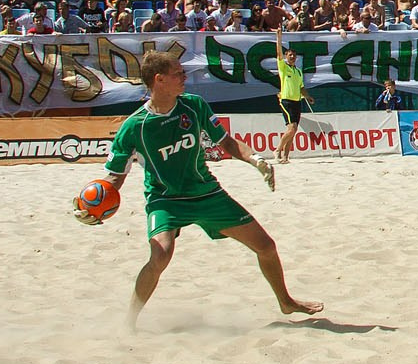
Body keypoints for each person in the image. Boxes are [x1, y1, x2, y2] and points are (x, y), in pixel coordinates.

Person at [95, 48, 318, 330]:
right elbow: (113, 178)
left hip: (206, 194)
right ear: (159, 79)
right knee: (160, 254)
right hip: (165, 200)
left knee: (266, 247)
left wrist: (255, 159)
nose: (185, 77)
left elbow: (226, 142)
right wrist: (97, 205)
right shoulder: (134, 127)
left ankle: (286, 301)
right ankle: (129, 322)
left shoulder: (194, 106)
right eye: (178, 74)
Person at [272, 26, 307, 166]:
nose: (292, 57)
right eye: (289, 55)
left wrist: (308, 96)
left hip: (297, 101)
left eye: (294, 55)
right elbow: (278, 53)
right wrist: (279, 38)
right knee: (291, 128)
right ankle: (277, 150)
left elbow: (301, 87)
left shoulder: (298, 71)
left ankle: (286, 157)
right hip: (286, 100)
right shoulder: (283, 67)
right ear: (286, 56)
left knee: (293, 131)